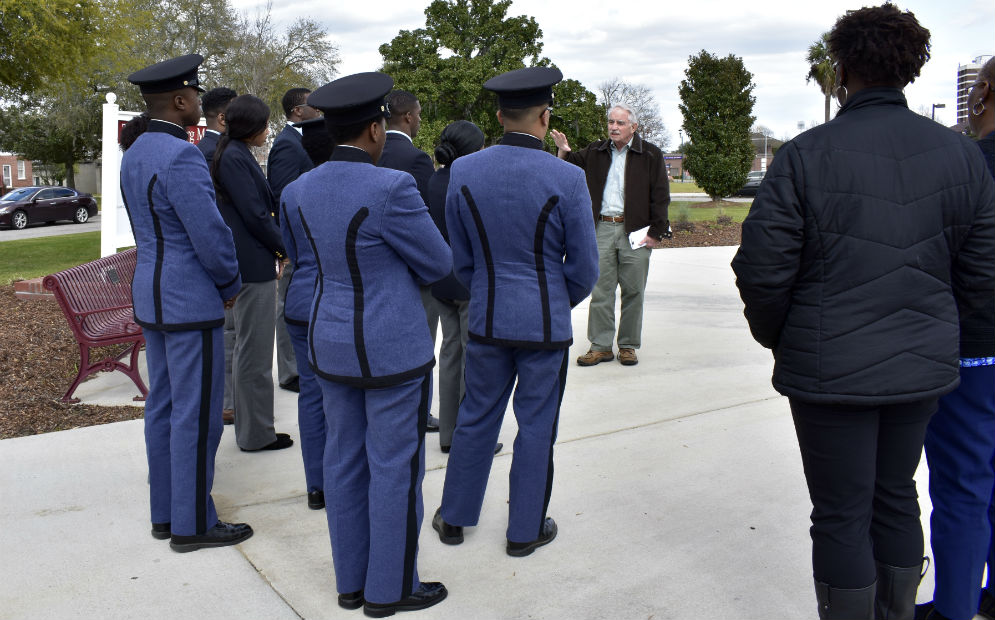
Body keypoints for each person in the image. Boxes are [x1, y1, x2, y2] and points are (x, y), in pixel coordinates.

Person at [730, 6, 995, 619]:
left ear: (843, 67)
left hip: (831, 369)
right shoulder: (962, 159)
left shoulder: (804, 155)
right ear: (910, 69)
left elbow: (762, 268)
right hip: (919, 367)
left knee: (843, 512)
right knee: (897, 496)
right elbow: (980, 277)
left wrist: (783, 337)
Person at [285, 72, 452, 616]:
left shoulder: (297, 190)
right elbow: (436, 262)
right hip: (390, 346)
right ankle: (391, 587)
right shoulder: (392, 188)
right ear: (377, 129)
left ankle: (351, 583)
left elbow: (303, 256)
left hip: (327, 340)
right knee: (394, 466)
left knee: (344, 463)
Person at [433, 67, 599, 557]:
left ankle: (456, 518)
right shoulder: (568, 177)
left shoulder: (463, 171)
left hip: (486, 316)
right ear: (545, 117)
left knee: (476, 416)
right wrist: (548, 300)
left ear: (500, 116)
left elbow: (459, 258)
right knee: (536, 425)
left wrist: (489, 291)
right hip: (544, 323)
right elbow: (585, 268)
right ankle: (524, 530)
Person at [121, 54, 252, 552]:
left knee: (164, 406)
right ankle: (193, 523)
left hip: (152, 296)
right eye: (195, 94)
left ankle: (166, 512)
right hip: (188, 298)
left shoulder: (135, 152)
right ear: (179, 100)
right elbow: (210, 235)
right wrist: (229, 282)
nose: (200, 102)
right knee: (195, 415)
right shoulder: (180, 155)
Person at [916, 54, 995, 620]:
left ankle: (957, 609)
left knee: (964, 483)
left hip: (973, 345)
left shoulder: (965, 163)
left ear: (983, 92)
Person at [551, 104, 671, 367]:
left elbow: (661, 196)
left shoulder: (650, 154)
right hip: (601, 229)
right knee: (601, 291)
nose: (614, 127)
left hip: (636, 232)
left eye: (620, 123)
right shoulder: (596, 151)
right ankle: (601, 345)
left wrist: (655, 233)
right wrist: (564, 150)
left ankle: (628, 345)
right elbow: (569, 167)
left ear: (634, 127)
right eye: (610, 122)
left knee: (633, 291)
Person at [210, 94, 294, 453]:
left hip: (250, 263)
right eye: (264, 124)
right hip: (251, 267)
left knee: (250, 351)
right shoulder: (233, 158)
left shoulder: (236, 154)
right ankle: (257, 434)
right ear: (249, 127)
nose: (268, 130)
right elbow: (255, 216)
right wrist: (285, 249)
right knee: (255, 355)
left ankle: (252, 429)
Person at [377, 88, 442, 433]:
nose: (419, 120)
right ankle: (418, 411)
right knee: (419, 346)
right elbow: (423, 219)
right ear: (406, 117)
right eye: (418, 114)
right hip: (411, 272)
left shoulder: (369, 152)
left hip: (373, 268)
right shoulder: (416, 159)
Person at [426, 120, 491, 454]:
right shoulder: (473, 182)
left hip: (440, 281)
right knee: (473, 359)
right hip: (469, 282)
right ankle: (470, 436)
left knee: (450, 353)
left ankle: (449, 433)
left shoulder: (433, 180)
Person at [277, 115, 330, 511]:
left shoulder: (292, 191)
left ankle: (317, 485)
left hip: (299, 300)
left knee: (312, 396)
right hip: (330, 304)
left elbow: (292, 250)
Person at [268, 88, 319, 395]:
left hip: (308, 238)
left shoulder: (303, 140)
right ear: (298, 111)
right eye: (314, 105)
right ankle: (289, 372)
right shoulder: (287, 144)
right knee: (288, 304)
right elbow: (282, 194)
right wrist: (286, 245)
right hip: (294, 240)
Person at [197, 86, 238, 425]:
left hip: (230, 258)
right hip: (223, 261)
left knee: (232, 338)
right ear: (223, 118)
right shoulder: (211, 152)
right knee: (228, 338)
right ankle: (226, 403)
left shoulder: (218, 148)